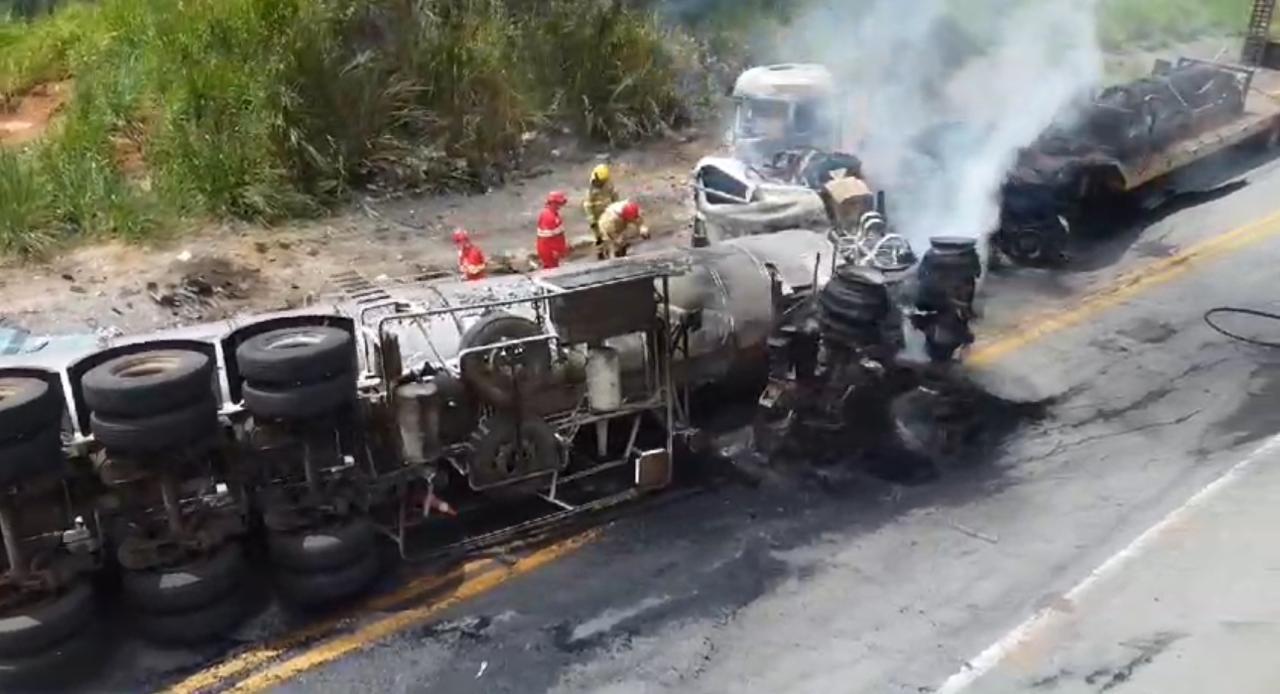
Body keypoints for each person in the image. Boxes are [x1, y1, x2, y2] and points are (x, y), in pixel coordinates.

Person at [583, 163, 618, 260]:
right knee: (599, 237)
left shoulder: (608, 185)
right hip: (596, 215)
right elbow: (587, 205)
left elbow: (614, 196)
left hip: (608, 213)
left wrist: (615, 209)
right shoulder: (591, 189)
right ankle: (601, 253)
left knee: (613, 232)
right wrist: (591, 219)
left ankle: (617, 250)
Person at [536, 191, 569, 269]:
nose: (560, 206)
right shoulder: (548, 216)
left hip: (552, 250)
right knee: (551, 269)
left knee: (553, 268)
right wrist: (554, 250)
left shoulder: (553, 214)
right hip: (549, 251)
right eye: (559, 203)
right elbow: (546, 238)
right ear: (553, 203)